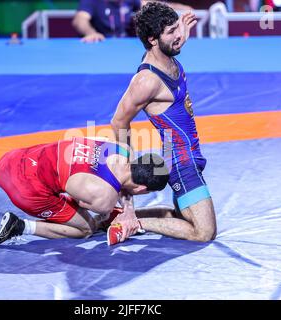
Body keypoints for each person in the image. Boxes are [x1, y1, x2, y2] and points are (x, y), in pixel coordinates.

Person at [0, 136, 169, 248]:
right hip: (27, 190)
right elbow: (77, 203)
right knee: (85, 228)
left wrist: (126, 205)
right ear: (141, 188)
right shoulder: (104, 198)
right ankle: (19, 227)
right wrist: (121, 214)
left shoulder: (121, 148)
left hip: (24, 158)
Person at [109, 2, 217, 244]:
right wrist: (127, 174)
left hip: (191, 155)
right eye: (171, 32)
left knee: (181, 217)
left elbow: (173, 42)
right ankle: (133, 222)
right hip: (180, 162)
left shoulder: (165, 53)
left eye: (177, 28)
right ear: (153, 40)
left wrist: (180, 33)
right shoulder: (146, 81)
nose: (179, 36)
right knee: (204, 232)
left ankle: (114, 219)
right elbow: (118, 122)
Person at [72, 0, 194, 43]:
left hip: (123, 45)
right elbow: (80, 20)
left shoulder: (128, 0)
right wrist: (91, 33)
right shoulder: (92, 1)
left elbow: (151, 5)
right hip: (102, 44)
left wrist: (179, 7)